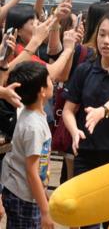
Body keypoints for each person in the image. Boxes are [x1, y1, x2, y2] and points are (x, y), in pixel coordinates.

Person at [62, 12, 109, 229]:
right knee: (87, 218)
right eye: (102, 34)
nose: (106, 41)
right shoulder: (85, 69)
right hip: (85, 155)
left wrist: (102, 111)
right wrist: (74, 131)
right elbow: (69, 110)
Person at [1, 61, 54, 229]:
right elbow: (31, 172)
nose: (52, 82)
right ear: (42, 91)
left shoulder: (32, 114)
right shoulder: (34, 127)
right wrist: (45, 212)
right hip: (23, 196)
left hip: (25, 192)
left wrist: (43, 193)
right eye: (49, 80)